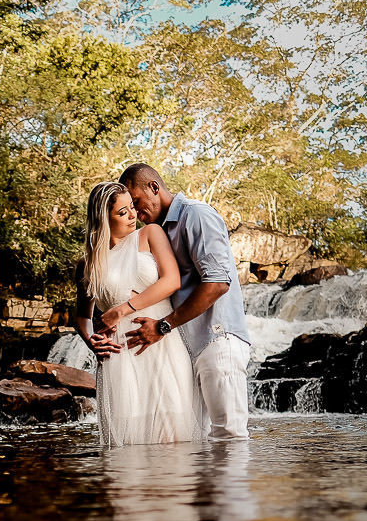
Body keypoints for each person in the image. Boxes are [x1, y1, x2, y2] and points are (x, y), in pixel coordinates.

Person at [117, 164, 252, 440]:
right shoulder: (158, 232)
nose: (135, 213)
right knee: (196, 439)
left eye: (136, 202)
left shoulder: (196, 215)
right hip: (187, 350)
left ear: (154, 187)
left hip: (217, 340)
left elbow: (217, 283)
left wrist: (163, 326)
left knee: (229, 436)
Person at [73, 182, 204, 447]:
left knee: (172, 436)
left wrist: (121, 310)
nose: (133, 215)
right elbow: (81, 316)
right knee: (129, 438)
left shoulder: (150, 234)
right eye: (122, 212)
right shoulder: (88, 263)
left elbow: (171, 281)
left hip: (162, 345)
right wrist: (91, 341)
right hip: (119, 354)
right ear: (103, 218)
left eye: (132, 207)